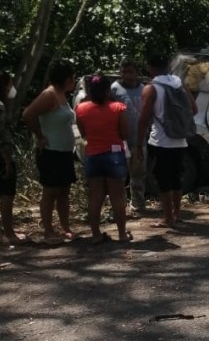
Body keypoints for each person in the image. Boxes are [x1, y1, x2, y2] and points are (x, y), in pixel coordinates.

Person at [136, 53, 197, 228]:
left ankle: (167, 218)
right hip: (180, 140)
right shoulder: (179, 84)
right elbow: (194, 108)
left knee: (163, 181)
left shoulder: (151, 88)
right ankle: (177, 214)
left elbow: (143, 119)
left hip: (161, 141)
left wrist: (139, 144)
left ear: (150, 67)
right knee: (176, 178)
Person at [22, 61, 78, 244]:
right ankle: (48, 231)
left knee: (64, 191)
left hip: (64, 152)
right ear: (67, 78)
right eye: (72, 77)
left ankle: (65, 227)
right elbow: (28, 114)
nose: (74, 80)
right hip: (50, 151)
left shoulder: (62, 94)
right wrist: (39, 136)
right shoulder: (49, 94)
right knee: (50, 192)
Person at [75, 75, 132, 243]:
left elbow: (83, 133)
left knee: (95, 197)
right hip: (114, 156)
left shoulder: (81, 109)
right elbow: (125, 133)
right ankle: (122, 234)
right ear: (108, 91)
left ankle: (95, 235)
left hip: (93, 155)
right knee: (117, 196)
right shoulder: (118, 108)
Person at [111, 58, 147, 215]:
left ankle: (138, 204)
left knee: (138, 173)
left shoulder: (144, 89)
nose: (126, 75)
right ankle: (118, 207)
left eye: (130, 72)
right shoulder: (115, 88)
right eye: (123, 72)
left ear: (137, 73)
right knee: (119, 175)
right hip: (121, 139)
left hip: (140, 139)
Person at [1, 72, 28, 244]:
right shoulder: (0, 108)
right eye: (10, 84)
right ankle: (9, 234)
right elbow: (1, 138)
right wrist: (7, 161)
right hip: (2, 158)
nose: (12, 88)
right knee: (6, 195)